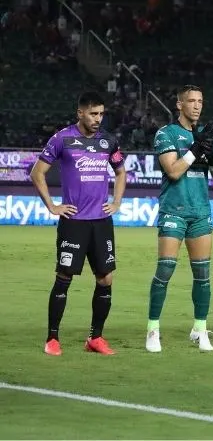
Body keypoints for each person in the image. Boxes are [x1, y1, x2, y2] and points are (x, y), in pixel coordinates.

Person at [30, 92, 126, 356]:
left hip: (101, 221)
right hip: (73, 221)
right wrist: (52, 206)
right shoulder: (62, 138)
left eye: (101, 114)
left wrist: (116, 202)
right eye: (93, 113)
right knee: (64, 277)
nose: (98, 119)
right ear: (80, 113)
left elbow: (120, 172)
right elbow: (37, 172)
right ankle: (52, 338)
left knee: (106, 278)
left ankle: (96, 338)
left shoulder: (108, 140)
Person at [146, 85, 213, 353]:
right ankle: (153, 329)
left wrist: (212, 156)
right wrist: (195, 150)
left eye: (200, 101)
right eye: (191, 101)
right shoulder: (166, 133)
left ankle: (200, 329)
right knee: (165, 269)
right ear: (179, 104)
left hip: (200, 212)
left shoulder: (207, 136)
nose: (196, 106)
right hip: (174, 210)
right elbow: (173, 171)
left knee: (203, 275)